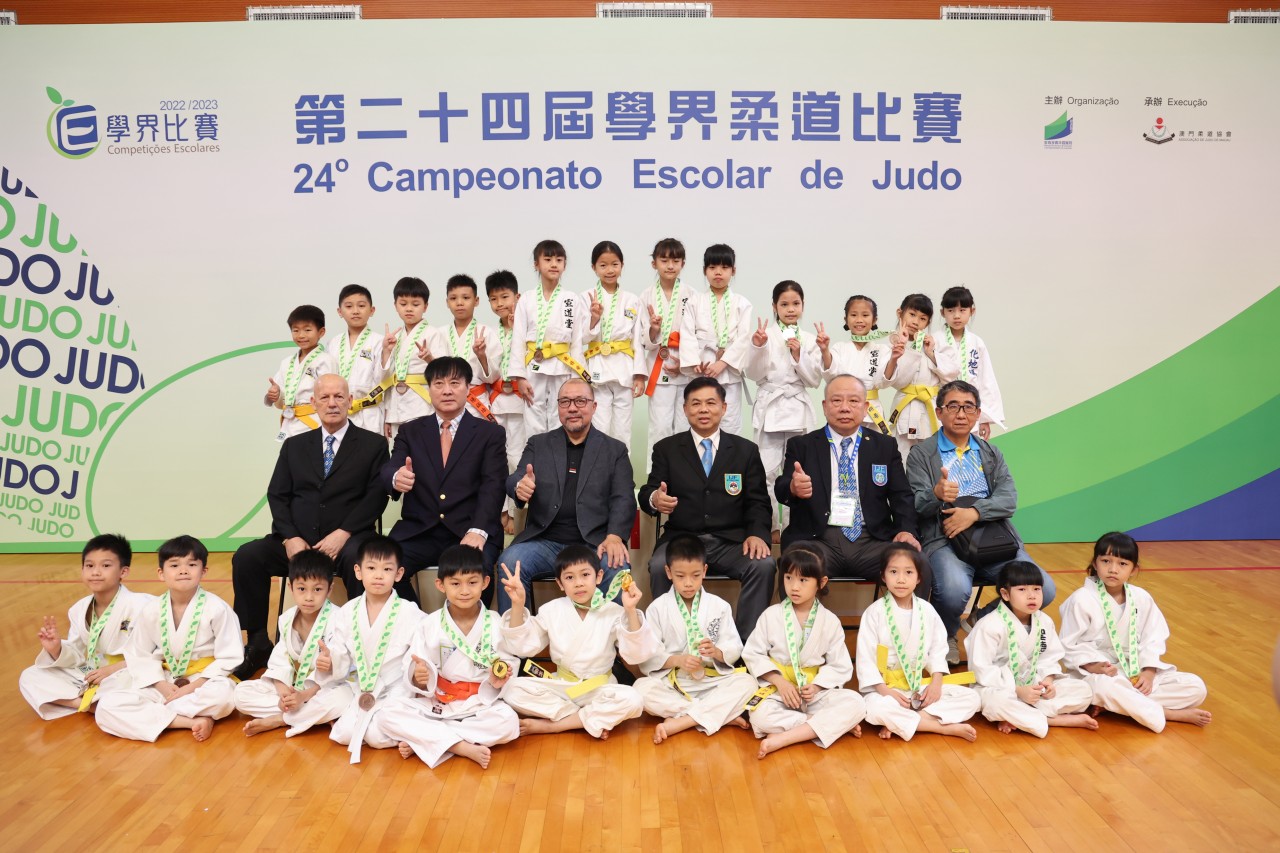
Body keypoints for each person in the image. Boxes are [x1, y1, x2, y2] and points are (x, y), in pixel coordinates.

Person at [232, 373, 392, 680]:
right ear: (313, 402)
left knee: (362, 562)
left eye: (339, 397)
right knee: (248, 557)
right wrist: (290, 537)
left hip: (348, 540)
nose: (332, 403)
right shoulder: (294, 445)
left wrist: (343, 534)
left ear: (349, 401)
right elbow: (277, 494)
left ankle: (359, 646)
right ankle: (258, 641)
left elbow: (376, 497)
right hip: (299, 542)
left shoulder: (373, 445)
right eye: (325, 397)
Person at [905, 379, 1055, 664]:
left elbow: (1009, 498)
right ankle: (946, 634)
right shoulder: (921, 454)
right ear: (939, 412)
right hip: (945, 538)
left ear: (977, 413)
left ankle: (982, 618)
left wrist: (974, 513)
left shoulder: (990, 452)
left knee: (1044, 589)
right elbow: (915, 505)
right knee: (954, 590)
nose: (961, 414)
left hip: (993, 538)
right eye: (953, 406)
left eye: (968, 407)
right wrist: (936, 494)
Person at [640, 376, 775, 640]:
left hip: (732, 542)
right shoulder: (667, 449)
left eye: (711, 403)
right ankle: (671, 643)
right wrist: (655, 498)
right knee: (658, 565)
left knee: (763, 565)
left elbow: (758, 501)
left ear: (723, 408)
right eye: (696, 403)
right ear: (685, 409)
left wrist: (757, 534)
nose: (703, 409)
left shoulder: (745, 450)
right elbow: (649, 490)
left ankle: (746, 646)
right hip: (682, 539)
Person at [495, 378, 636, 612]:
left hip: (594, 544)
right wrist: (520, 485)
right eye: (565, 402)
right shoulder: (539, 444)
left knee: (616, 566)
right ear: (558, 407)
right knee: (509, 563)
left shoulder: (614, 450)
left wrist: (614, 536)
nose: (572, 408)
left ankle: (614, 635)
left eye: (580, 401)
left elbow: (624, 497)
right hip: (544, 541)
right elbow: (516, 477)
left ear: (593, 406)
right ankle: (517, 634)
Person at [775, 374, 928, 587]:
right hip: (818, 539)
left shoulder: (884, 446)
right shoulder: (802, 445)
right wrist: (792, 488)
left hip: (872, 541)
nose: (845, 408)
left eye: (853, 401)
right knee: (795, 566)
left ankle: (909, 612)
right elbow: (781, 489)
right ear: (825, 406)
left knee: (917, 564)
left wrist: (906, 530)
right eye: (837, 401)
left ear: (865, 408)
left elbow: (901, 495)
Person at [377, 545, 521, 769]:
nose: (464, 590)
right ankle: (460, 746)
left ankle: (427, 740)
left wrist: (497, 680)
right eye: (455, 583)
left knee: (508, 722)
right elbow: (415, 666)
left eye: (472, 582)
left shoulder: (495, 622)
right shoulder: (429, 623)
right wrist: (418, 676)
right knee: (387, 714)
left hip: (478, 703)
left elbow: (507, 664)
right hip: (439, 701)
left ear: (485, 582)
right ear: (440, 585)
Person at [498, 545, 660, 739]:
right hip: (563, 686)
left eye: (585, 575)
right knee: (511, 690)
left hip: (599, 688)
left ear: (598, 577)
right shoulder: (551, 610)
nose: (578, 583)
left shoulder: (613, 611)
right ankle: (587, 719)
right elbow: (523, 646)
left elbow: (637, 654)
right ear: (560, 583)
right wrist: (517, 605)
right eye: (569, 578)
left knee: (633, 699)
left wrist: (631, 610)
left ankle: (555, 725)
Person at [1059, 532, 1211, 731]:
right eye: (1106, 561)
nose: (1113, 569)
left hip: (1134, 670)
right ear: (1095, 564)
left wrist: (1148, 672)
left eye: (1122, 564)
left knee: (1196, 687)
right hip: (1099, 673)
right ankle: (1168, 713)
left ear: (1134, 569)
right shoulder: (1081, 599)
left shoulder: (1141, 597)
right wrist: (1095, 666)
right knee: (1103, 687)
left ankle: (1117, 705)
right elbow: (1068, 645)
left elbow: (1153, 637)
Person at [95, 536, 242, 743]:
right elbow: (138, 653)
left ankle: (154, 714)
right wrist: (161, 685)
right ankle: (191, 720)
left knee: (224, 695)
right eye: (174, 565)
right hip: (165, 679)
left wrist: (193, 687)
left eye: (192, 565)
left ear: (204, 571)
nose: (183, 571)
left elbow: (230, 656)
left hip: (202, 680)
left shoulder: (217, 608)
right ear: (161, 573)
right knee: (107, 706)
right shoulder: (151, 610)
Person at [383, 356, 508, 594]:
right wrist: (396, 477)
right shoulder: (410, 431)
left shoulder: (490, 433)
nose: (447, 391)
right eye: (439, 384)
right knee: (384, 571)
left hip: (468, 529)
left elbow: (493, 486)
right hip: (419, 532)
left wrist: (478, 530)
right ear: (429, 389)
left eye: (455, 383)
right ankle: (415, 618)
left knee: (474, 574)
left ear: (468, 388)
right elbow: (391, 467)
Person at [741, 546, 865, 759]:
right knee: (759, 716)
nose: (794, 587)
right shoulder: (771, 615)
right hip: (778, 691)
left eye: (803, 580)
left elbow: (840, 665)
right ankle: (826, 726)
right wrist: (780, 682)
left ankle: (783, 737)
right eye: (788, 578)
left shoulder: (830, 621)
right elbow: (753, 654)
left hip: (813, 693)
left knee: (856, 702)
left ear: (821, 583)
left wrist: (816, 686)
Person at [634, 533, 757, 744]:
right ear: (668, 572)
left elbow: (733, 646)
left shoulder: (719, 606)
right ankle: (719, 715)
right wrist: (678, 660)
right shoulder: (657, 608)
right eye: (680, 576)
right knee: (640, 690)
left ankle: (683, 720)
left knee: (748, 683)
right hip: (676, 682)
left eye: (695, 575)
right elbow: (650, 656)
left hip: (712, 680)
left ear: (705, 571)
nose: (688, 583)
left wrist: (717, 652)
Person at [855, 544, 980, 742]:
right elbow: (865, 660)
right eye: (893, 572)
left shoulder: (927, 610)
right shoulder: (874, 613)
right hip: (887, 690)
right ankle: (939, 727)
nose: (901, 579)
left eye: (908, 572)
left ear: (919, 578)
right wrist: (886, 692)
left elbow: (938, 650)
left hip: (918, 688)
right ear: (883, 576)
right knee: (873, 708)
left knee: (972, 698)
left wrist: (936, 683)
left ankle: (905, 722)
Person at [20, 534, 150, 720]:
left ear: (123, 572)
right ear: (82, 570)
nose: (96, 572)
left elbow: (155, 654)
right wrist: (56, 649)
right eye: (89, 566)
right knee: (31, 675)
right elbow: (77, 655)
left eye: (106, 566)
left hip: (127, 671)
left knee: (135, 682)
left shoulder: (142, 605)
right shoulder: (79, 609)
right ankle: (91, 706)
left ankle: (101, 704)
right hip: (95, 671)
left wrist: (113, 669)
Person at [965, 560, 1097, 737]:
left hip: (1034, 684)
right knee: (995, 702)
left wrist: (1048, 682)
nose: (1031, 596)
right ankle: (1052, 720)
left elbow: (1049, 658)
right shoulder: (988, 625)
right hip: (1000, 687)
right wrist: (1017, 690)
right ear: (1005, 594)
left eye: (1036, 589)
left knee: (1083, 690)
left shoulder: (1044, 621)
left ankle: (1019, 716)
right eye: (1022, 590)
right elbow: (982, 670)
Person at [233, 550, 352, 738]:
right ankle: (309, 715)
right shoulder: (286, 619)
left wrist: (306, 693)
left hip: (322, 689)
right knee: (241, 693)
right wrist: (285, 695)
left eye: (317, 590)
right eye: (302, 589)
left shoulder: (339, 619)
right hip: (294, 688)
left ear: (329, 589)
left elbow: (342, 673)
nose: (309, 597)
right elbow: (279, 662)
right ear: (291, 586)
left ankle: (281, 719)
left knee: (344, 698)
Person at [328, 536, 426, 763]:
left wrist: (418, 673)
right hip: (361, 685)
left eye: (387, 569)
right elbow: (339, 655)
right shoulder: (347, 611)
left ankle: (413, 733)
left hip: (395, 687)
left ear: (399, 574)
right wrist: (329, 660)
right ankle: (401, 731)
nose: (379, 575)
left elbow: (418, 656)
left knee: (376, 736)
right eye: (371, 568)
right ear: (358, 571)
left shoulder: (411, 612)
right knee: (343, 734)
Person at [745, 281, 822, 541]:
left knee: (799, 471)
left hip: (798, 408)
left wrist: (799, 355)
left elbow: (814, 380)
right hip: (771, 406)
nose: (790, 309)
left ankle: (793, 526)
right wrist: (758, 347)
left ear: (803, 305)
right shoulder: (764, 335)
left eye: (795, 304)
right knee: (765, 472)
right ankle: (771, 526)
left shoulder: (809, 339)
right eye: (784, 304)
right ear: (774, 306)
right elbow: (753, 374)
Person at [509, 239, 589, 437]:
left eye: (559, 260)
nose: (554, 264)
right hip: (533, 365)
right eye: (548, 259)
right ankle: (535, 456)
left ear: (564, 265)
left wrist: (577, 377)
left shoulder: (572, 299)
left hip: (562, 365)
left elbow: (576, 341)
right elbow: (518, 339)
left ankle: (558, 456)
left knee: (560, 413)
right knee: (532, 413)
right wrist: (519, 377)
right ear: (536, 264)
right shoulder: (526, 299)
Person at [678, 244, 752, 434]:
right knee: (699, 420)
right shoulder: (694, 301)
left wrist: (723, 362)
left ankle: (729, 456)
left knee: (730, 423)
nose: (718, 272)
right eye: (712, 267)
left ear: (733, 271)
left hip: (729, 371)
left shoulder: (742, 304)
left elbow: (743, 339)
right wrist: (694, 362)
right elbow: (687, 334)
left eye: (724, 267)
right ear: (705, 270)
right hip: (702, 368)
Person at [580, 240, 646, 444]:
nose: (609, 270)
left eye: (614, 264)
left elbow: (637, 340)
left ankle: (622, 466)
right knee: (599, 427)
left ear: (622, 266)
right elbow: (581, 338)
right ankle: (598, 465)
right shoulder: (585, 298)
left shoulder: (632, 300)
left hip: (624, 370)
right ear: (594, 267)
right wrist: (594, 318)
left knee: (623, 429)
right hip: (597, 368)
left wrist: (639, 375)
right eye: (603, 265)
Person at [639, 237, 695, 456]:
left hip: (685, 366)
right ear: (654, 263)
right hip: (659, 364)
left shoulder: (692, 296)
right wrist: (653, 329)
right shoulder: (646, 296)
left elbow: (698, 336)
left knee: (685, 426)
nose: (670, 266)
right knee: (660, 426)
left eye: (676, 261)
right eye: (664, 260)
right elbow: (643, 339)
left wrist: (686, 363)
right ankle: (657, 473)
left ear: (683, 264)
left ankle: (685, 474)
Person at [818, 295, 894, 435]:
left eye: (865, 315)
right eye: (853, 315)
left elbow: (884, 382)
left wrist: (894, 358)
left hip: (871, 409)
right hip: (844, 408)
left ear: (874, 320)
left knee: (874, 446)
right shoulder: (839, 348)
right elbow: (831, 377)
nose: (859, 320)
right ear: (846, 319)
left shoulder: (882, 350)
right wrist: (824, 350)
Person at [484, 270, 525, 536]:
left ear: (517, 297)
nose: (500, 303)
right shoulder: (488, 333)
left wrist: (518, 327)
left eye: (505, 297)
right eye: (494, 299)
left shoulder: (529, 326)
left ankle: (515, 511)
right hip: (496, 401)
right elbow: (488, 372)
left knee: (517, 457)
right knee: (496, 458)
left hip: (522, 402)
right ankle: (499, 510)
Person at [382, 275, 447, 438]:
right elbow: (388, 378)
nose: (409, 309)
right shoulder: (394, 338)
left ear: (425, 306)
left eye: (415, 304)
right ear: (395, 306)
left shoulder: (433, 333)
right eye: (403, 304)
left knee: (423, 449)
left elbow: (445, 372)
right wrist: (388, 414)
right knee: (399, 450)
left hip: (423, 405)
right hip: (396, 406)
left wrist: (430, 359)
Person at [936, 285, 1004, 440]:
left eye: (962, 310)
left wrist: (985, 419)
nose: (956, 316)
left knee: (968, 449)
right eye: (951, 310)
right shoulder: (934, 340)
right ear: (942, 312)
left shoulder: (977, 343)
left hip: (968, 408)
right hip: (942, 407)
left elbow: (986, 380)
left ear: (972, 311)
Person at [886, 293, 946, 464]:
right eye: (912, 314)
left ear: (928, 322)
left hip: (930, 405)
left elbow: (950, 375)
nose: (915, 322)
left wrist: (931, 353)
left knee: (932, 457)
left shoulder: (934, 343)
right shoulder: (892, 344)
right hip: (906, 405)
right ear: (900, 313)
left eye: (922, 318)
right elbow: (899, 380)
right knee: (902, 455)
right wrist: (905, 347)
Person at [265, 304, 339, 443]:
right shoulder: (286, 363)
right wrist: (276, 393)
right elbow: (280, 400)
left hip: (315, 423)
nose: (301, 335)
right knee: (290, 456)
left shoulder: (326, 361)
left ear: (321, 332)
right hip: (289, 424)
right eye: (296, 330)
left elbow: (331, 395)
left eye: (307, 330)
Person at [326, 284, 386, 435]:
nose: (355, 311)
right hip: (338, 410)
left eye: (361, 306)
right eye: (349, 306)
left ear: (372, 310)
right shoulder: (333, 343)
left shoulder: (380, 341)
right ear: (340, 312)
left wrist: (387, 351)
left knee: (370, 449)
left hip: (369, 412)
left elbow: (384, 380)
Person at [441, 274, 502, 421]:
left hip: (476, 401)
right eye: (453, 298)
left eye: (466, 298)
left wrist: (482, 356)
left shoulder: (487, 332)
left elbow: (493, 378)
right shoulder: (439, 334)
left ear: (476, 301)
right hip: (446, 400)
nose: (459, 303)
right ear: (447, 302)